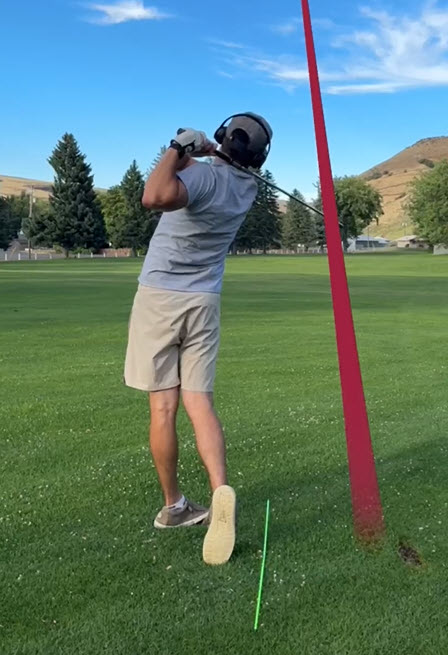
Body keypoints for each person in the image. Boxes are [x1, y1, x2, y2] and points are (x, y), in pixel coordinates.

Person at [124, 113, 272, 565]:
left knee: (163, 406)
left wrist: (177, 145)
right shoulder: (245, 189)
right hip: (204, 301)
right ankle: (219, 490)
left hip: (160, 298)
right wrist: (203, 151)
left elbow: (153, 195)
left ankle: (174, 507)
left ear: (225, 138)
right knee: (200, 402)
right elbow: (201, 175)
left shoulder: (204, 179)